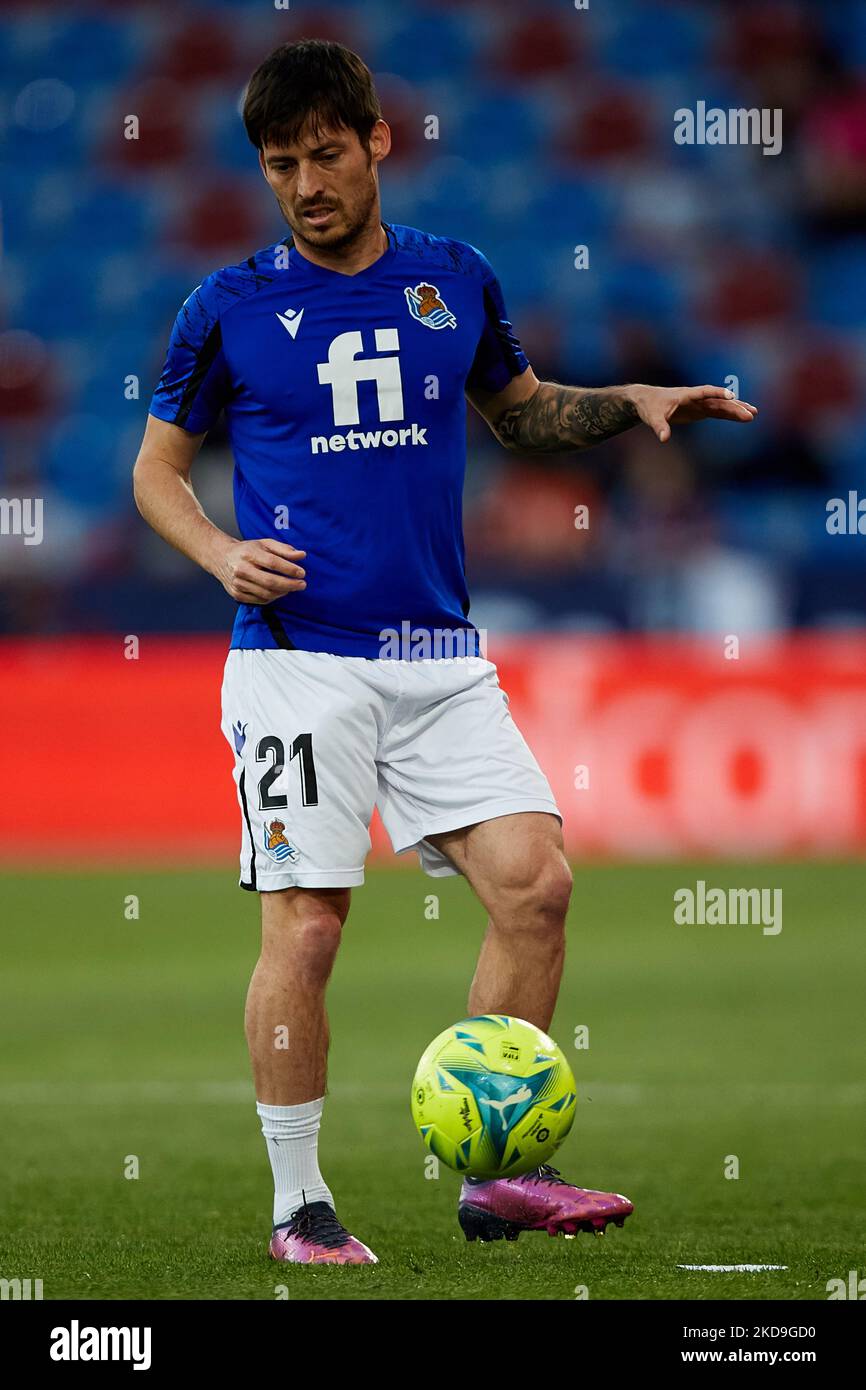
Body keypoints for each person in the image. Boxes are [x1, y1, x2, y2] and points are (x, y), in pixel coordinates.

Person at [133, 38, 757, 1265]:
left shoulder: (452, 281)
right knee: (305, 927)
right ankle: (297, 1204)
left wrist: (622, 403)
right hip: (297, 659)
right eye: (279, 165)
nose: (305, 184)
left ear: (376, 140)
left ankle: (499, 1177)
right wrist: (216, 554)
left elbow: (517, 411)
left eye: (324, 153)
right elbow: (155, 473)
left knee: (538, 884)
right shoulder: (224, 308)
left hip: (439, 655)